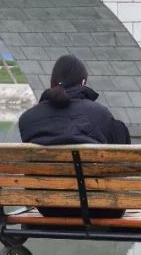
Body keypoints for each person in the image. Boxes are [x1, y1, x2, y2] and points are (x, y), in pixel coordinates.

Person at [17, 54, 130, 218]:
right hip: (101, 208)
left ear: (52, 82)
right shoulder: (99, 113)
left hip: (49, 207)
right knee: (118, 130)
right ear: (83, 82)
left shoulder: (28, 119)